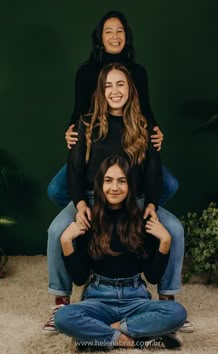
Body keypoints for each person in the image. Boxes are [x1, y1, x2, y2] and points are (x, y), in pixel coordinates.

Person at [43, 63, 190, 334]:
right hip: (89, 197)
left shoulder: (143, 125)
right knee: (55, 231)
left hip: (133, 198)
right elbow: (74, 172)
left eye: (120, 84)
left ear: (130, 89)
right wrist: (81, 205)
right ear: (101, 91)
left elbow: (154, 173)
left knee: (175, 230)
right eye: (108, 85)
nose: (114, 90)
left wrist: (152, 206)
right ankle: (61, 303)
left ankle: (167, 296)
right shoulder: (85, 125)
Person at [47, 10, 178, 209]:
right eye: (109, 31)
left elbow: (146, 111)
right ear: (100, 37)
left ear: (127, 36)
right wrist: (71, 131)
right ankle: (98, 220)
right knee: (56, 190)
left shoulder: (138, 72)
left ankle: (129, 219)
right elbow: (78, 111)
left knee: (169, 185)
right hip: (97, 143)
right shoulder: (86, 72)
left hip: (130, 140)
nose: (115, 36)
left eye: (120, 31)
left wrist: (156, 131)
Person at [55, 155, 187, 351]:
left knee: (177, 313)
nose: (114, 187)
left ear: (130, 186)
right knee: (62, 318)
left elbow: (152, 276)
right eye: (108, 181)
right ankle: (136, 341)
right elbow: (79, 278)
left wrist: (165, 242)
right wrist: (66, 242)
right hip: (99, 299)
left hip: (136, 299)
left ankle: (102, 336)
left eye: (121, 181)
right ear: (99, 185)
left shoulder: (143, 221)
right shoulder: (88, 221)